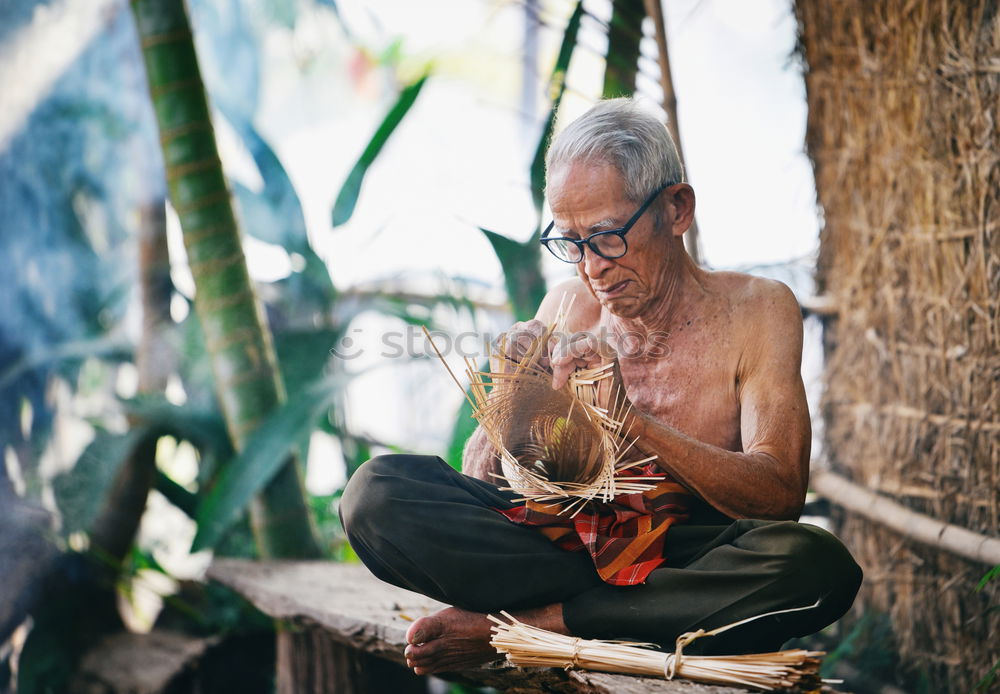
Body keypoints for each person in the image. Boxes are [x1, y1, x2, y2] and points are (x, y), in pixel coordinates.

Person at [340, 98, 862, 676]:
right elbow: (483, 487)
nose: (590, 266)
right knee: (376, 495)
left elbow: (779, 497)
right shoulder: (566, 304)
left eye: (607, 236)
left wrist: (632, 423)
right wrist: (508, 409)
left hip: (682, 557)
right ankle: (624, 616)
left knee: (814, 566)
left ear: (676, 208)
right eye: (570, 242)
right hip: (563, 547)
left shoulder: (758, 309)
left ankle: (532, 625)